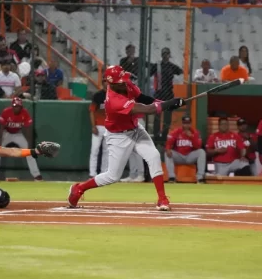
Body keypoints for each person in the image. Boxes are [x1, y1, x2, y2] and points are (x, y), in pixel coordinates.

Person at [68, 65, 185, 211]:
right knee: (113, 176)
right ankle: (79, 188)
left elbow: (144, 99)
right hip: (118, 136)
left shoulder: (126, 83)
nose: (125, 82)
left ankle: (162, 198)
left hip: (135, 129)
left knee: (154, 156)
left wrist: (165, 104)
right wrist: (169, 103)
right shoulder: (114, 101)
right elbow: (147, 109)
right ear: (112, 83)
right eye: (121, 80)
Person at [0, 98, 42, 181]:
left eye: (18, 106)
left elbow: (28, 129)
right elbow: (1, 127)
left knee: (30, 152)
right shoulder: (6, 111)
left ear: (21, 107)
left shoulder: (24, 112)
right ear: (12, 106)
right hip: (6, 133)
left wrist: (29, 144)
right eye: (15, 106)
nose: (16, 108)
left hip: (18, 134)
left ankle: (37, 175)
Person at [152, 47, 183, 141]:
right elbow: (149, 73)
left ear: (169, 55)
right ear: (162, 55)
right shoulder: (157, 66)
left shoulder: (172, 66)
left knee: (167, 118)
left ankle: (164, 137)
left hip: (169, 94)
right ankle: (156, 136)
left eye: (167, 54)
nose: (166, 56)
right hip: (159, 94)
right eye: (164, 54)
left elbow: (180, 71)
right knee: (157, 117)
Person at [165, 115, 206, 183]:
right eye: (185, 123)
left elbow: (198, 146)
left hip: (190, 156)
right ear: (182, 123)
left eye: (188, 123)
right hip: (179, 156)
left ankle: (200, 178)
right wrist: (168, 149)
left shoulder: (195, 132)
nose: (186, 125)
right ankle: (171, 177)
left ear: (190, 123)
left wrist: (191, 137)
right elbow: (169, 142)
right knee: (167, 153)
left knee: (201, 152)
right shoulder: (176, 131)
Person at [89, 79, 108, 178]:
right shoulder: (98, 95)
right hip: (99, 126)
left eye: (108, 81)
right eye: (104, 81)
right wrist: (93, 126)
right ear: (102, 83)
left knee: (107, 151)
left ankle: (104, 173)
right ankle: (92, 174)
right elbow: (91, 111)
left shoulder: (115, 95)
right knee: (95, 150)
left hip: (110, 127)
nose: (106, 83)